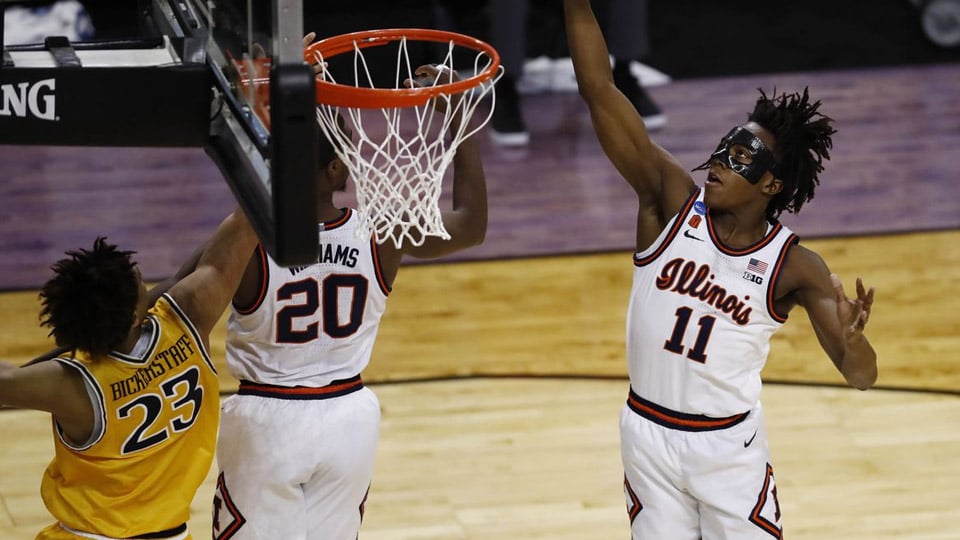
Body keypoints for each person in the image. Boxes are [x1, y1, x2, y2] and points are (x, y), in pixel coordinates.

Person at [563, 1, 878, 538]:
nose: (719, 161)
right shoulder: (668, 204)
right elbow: (600, 90)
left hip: (728, 450)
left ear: (771, 185)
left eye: (741, 157)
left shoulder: (793, 266)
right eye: (724, 147)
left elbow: (861, 376)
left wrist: (853, 339)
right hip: (648, 435)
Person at [211, 63, 488, 540]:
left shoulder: (247, 238)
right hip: (348, 418)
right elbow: (470, 225)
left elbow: (176, 300)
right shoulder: (380, 230)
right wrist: (456, 121)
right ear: (334, 169)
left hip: (267, 419)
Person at [0, 209, 258, 540]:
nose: (145, 281)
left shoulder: (72, 385)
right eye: (139, 282)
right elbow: (222, 254)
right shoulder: (187, 319)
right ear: (136, 315)